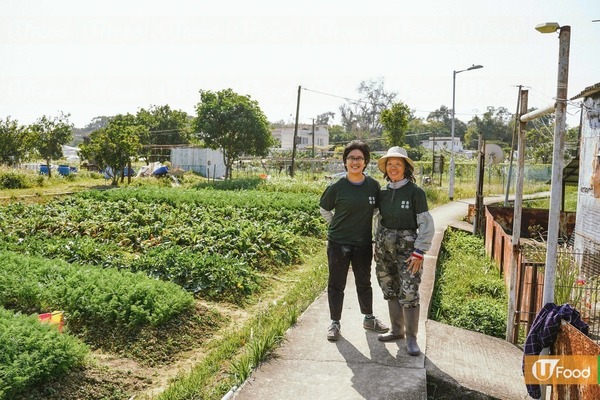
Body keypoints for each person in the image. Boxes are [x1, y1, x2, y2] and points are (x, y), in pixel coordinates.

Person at [319, 140, 389, 341]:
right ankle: (334, 323)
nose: (355, 162)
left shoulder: (372, 186)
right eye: (351, 158)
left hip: (363, 243)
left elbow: (376, 210)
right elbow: (324, 208)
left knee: (364, 281)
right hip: (338, 243)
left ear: (366, 162)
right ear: (345, 162)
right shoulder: (337, 186)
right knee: (336, 283)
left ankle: (368, 318)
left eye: (359, 158)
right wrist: (334, 225)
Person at [373, 146, 434, 356]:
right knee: (389, 286)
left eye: (398, 164)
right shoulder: (382, 192)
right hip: (384, 248)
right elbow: (378, 220)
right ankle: (396, 330)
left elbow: (426, 223)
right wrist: (376, 245)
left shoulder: (415, 192)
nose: (393, 168)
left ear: (406, 167)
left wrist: (419, 252)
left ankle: (411, 338)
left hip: (408, 250)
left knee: (409, 290)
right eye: (390, 164)